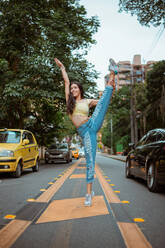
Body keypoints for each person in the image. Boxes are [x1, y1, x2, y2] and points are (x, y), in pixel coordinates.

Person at [54, 57, 118, 206]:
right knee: (90, 162)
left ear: (80, 90)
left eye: (75, 88)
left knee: (102, 102)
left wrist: (111, 90)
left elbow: (104, 102)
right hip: (86, 133)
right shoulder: (70, 101)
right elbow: (66, 82)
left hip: (93, 123)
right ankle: (90, 192)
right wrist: (62, 67)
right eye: (72, 88)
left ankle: (113, 74)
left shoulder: (87, 101)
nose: (73, 89)